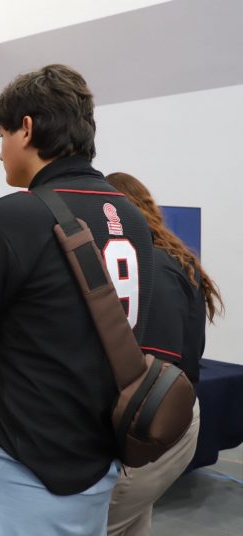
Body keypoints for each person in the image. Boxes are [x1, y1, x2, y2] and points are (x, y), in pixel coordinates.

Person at [0, 65, 155, 535]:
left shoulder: (10, 217)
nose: (0, 152)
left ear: (27, 129)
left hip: (15, 471)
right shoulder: (133, 219)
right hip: (97, 464)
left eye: (1, 136)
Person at [105, 172, 223, 536]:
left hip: (159, 422)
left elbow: (157, 371)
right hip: (170, 419)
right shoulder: (167, 260)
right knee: (134, 522)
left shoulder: (153, 266)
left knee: (94, 523)